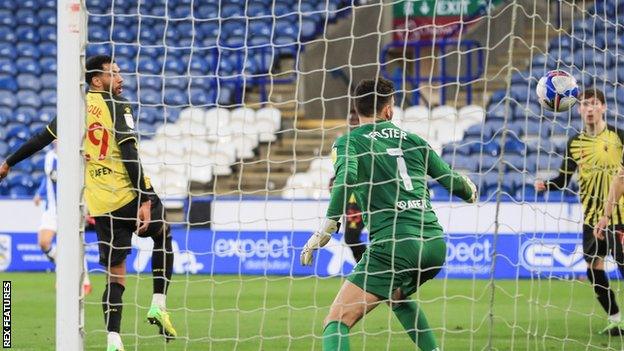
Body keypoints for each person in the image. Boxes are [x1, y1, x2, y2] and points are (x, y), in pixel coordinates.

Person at [0, 55, 176, 350]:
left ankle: (113, 339)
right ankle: (158, 303)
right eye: (114, 74)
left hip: (102, 204)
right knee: (163, 234)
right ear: (97, 80)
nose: (120, 79)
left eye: (120, 73)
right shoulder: (119, 105)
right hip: (128, 194)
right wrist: (145, 198)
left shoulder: (74, 110)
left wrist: (8, 162)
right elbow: (130, 154)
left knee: (116, 275)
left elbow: (39, 139)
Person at [301, 78, 476, 351]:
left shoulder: (350, 141)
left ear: (357, 110)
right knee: (396, 295)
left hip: (394, 245)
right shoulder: (415, 141)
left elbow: (345, 178)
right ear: (389, 110)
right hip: (434, 245)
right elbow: (454, 183)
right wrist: (470, 190)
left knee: (336, 320)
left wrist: (326, 228)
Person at [535, 88, 624, 335]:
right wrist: (547, 185)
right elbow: (563, 179)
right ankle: (616, 319)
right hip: (591, 218)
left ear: (603, 107)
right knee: (594, 270)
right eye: (584, 104)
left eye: (594, 103)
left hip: (621, 217)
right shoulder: (575, 143)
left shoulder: (619, 136)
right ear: (578, 109)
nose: (589, 108)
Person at [33, 144, 92, 295]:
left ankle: (85, 281)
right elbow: (49, 178)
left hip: (72, 209)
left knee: (75, 244)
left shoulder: (77, 156)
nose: (57, 141)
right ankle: (59, 261)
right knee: (43, 242)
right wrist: (39, 193)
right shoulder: (50, 157)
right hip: (52, 209)